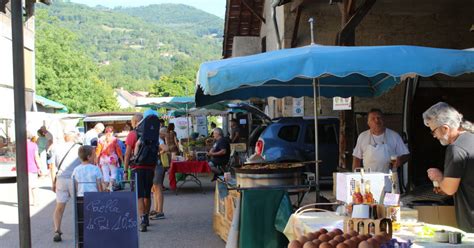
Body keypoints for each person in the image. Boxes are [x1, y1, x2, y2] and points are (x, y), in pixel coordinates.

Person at [424, 102, 474, 232]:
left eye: (433, 131)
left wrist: (439, 177)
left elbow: (450, 189)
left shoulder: (456, 148)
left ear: (445, 128)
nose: (434, 136)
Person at [124, 113, 155, 232]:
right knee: (147, 193)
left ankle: (142, 220)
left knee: (139, 195)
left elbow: (127, 154)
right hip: (150, 167)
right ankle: (146, 217)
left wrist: (125, 170)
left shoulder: (132, 134)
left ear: (135, 122)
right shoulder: (152, 133)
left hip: (137, 167)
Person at [352, 109, 409, 173]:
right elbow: (357, 159)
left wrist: (400, 160)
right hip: (369, 179)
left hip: (389, 178)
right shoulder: (362, 136)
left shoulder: (394, 136)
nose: (377, 120)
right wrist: (355, 176)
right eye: (373, 118)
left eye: (379, 118)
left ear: (383, 120)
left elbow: (406, 155)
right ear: (368, 123)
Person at [52, 130, 81, 242]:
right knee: (78, 205)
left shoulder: (57, 148)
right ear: (73, 137)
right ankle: (80, 231)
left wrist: (53, 181)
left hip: (61, 179)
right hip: (74, 179)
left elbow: (53, 166)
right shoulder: (78, 147)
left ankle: (57, 230)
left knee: (59, 207)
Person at [95, 126, 123, 191]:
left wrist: (96, 161)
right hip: (112, 159)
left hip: (103, 159)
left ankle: (106, 189)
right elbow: (118, 150)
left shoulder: (100, 139)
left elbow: (98, 151)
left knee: (105, 175)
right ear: (112, 132)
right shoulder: (114, 139)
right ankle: (110, 186)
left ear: (105, 132)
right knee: (114, 174)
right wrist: (122, 159)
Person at [150, 127, 168, 220]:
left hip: (157, 166)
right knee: (154, 188)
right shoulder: (158, 138)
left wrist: (159, 153)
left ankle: (160, 211)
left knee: (158, 187)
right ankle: (156, 209)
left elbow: (166, 148)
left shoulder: (158, 139)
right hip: (156, 165)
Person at [27, 131, 43, 206]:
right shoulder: (34, 145)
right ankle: (35, 201)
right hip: (32, 168)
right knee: (33, 186)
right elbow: (36, 157)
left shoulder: (20, 145)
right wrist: (40, 168)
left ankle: (25, 201)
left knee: (25, 186)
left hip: (22, 169)